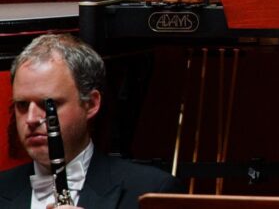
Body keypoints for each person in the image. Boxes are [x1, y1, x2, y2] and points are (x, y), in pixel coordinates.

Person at [0, 33, 181, 209]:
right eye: (22, 105)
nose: (31, 119)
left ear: (91, 104)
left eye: (49, 104)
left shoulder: (150, 190)